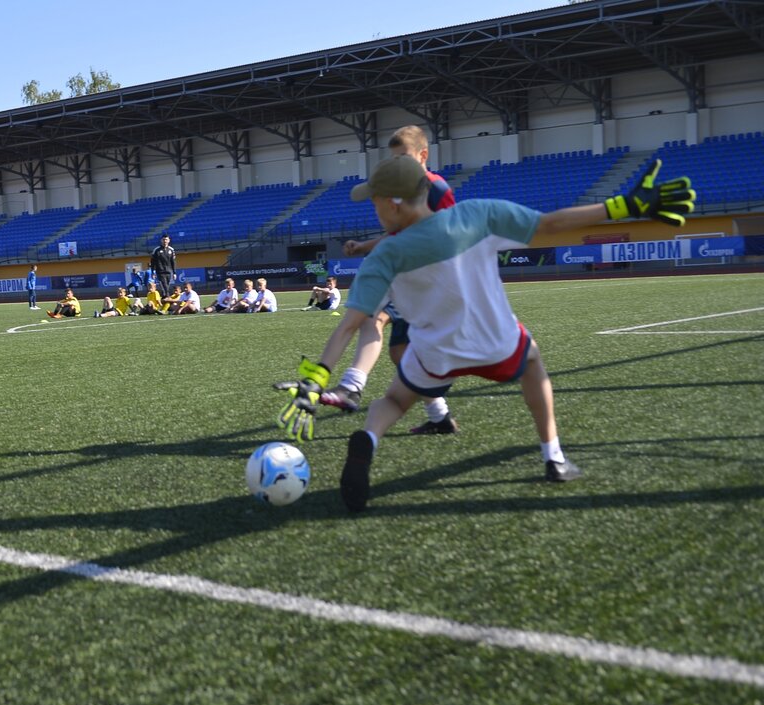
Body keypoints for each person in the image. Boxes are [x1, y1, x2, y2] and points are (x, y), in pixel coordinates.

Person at [276, 154, 693, 511]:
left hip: (435, 354)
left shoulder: (385, 253)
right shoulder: (477, 215)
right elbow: (550, 225)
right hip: (497, 344)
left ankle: (367, 439)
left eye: (376, 202)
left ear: (394, 204)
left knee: (394, 400)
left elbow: (352, 323)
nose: (374, 210)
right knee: (533, 363)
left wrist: (317, 377)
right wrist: (622, 206)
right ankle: (554, 458)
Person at [312, 125, 463, 436]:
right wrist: (366, 246)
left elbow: (445, 233)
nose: (398, 164)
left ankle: (351, 386)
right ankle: (440, 417)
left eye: (404, 157)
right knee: (399, 352)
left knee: (370, 318)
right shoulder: (405, 189)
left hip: (424, 279)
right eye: (394, 159)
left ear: (423, 156)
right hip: (411, 275)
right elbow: (400, 231)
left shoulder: (435, 187)